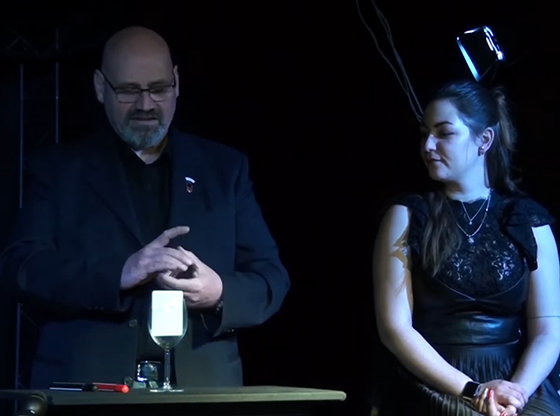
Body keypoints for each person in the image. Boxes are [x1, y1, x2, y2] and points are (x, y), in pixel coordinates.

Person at [0, 26, 290, 389]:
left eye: (158, 88)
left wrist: (218, 292)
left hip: (201, 393)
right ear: (100, 87)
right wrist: (118, 275)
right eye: (128, 91)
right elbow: (21, 268)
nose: (145, 105)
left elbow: (270, 278)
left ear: (177, 83)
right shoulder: (58, 170)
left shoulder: (224, 171)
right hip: (89, 390)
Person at [372, 80, 560, 415]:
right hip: (435, 381)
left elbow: (549, 330)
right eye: (425, 134)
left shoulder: (526, 219)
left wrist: (515, 394)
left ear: (484, 140)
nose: (428, 145)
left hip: (516, 383)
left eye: (444, 133)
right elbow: (395, 328)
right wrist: (473, 390)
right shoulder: (408, 215)